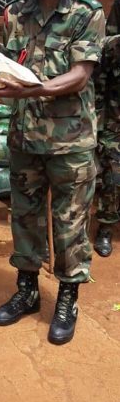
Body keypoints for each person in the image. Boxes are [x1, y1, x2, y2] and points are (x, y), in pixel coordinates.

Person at [0, 0, 105, 345]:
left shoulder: (88, 12)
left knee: (69, 223)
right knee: (25, 216)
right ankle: (28, 291)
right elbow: (6, 66)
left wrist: (32, 90)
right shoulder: (16, 12)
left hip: (70, 142)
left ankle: (68, 298)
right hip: (24, 137)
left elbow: (79, 75)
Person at [93, 35, 120, 256]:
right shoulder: (113, 47)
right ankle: (105, 227)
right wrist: (97, 127)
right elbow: (97, 87)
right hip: (114, 125)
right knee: (113, 175)